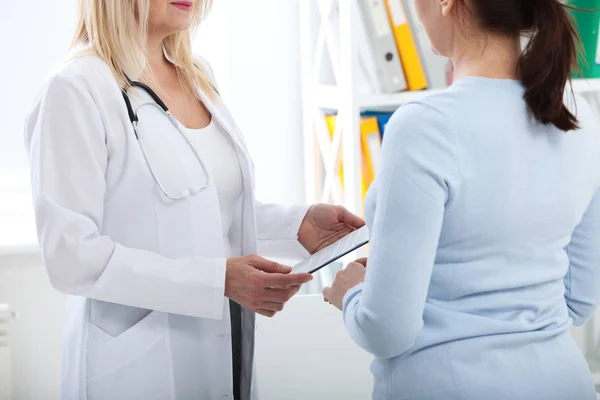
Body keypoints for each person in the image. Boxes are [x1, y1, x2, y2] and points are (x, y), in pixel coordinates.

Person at [24, 0, 364, 399]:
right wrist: (216, 279)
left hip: (224, 349)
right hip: (135, 368)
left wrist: (298, 224)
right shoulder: (76, 88)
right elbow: (70, 257)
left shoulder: (196, 76)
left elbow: (205, 206)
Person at [323, 0, 600, 399]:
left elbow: (386, 330)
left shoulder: (424, 126)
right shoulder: (578, 117)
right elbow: (578, 302)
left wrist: (351, 292)